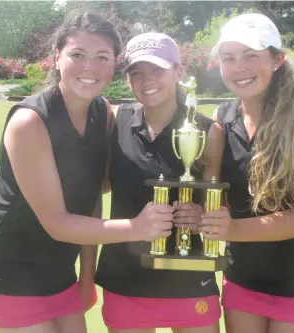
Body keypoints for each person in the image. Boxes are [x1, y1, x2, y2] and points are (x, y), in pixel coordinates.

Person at [0, 13, 174, 333]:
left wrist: (86, 276)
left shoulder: (101, 112)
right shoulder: (29, 122)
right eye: (77, 55)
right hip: (7, 270)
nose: (89, 67)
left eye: (101, 57)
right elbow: (59, 224)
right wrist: (137, 227)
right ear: (56, 57)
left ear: (114, 64)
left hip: (58, 271)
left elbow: (91, 198)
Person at [199, 13, 294, 333]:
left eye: (251, 56)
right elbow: (215, 195)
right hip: (244, 276)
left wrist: (230, 230)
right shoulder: (221, 118)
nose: (238, 67)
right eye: (228, 58)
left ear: (278, 59)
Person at [94, 32, 225, 333]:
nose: (146, 80)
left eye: (157, 70)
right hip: (125, 276)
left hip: (189, 275)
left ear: (178, 72)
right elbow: (100, 185)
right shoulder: (114, 120)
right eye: (136, 73)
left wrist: (202, 217)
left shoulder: (208, 131)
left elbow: (216, 203)